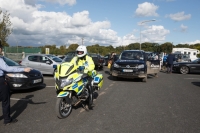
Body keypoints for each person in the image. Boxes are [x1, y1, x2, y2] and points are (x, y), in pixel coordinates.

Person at [0, 40, 32, 126]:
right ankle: (7, 119)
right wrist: (23, 69)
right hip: (1, 82)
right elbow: (8, 68)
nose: (1, 50)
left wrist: (5, 74)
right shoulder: (0, 59)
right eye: (1, 48)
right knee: (5, 101)